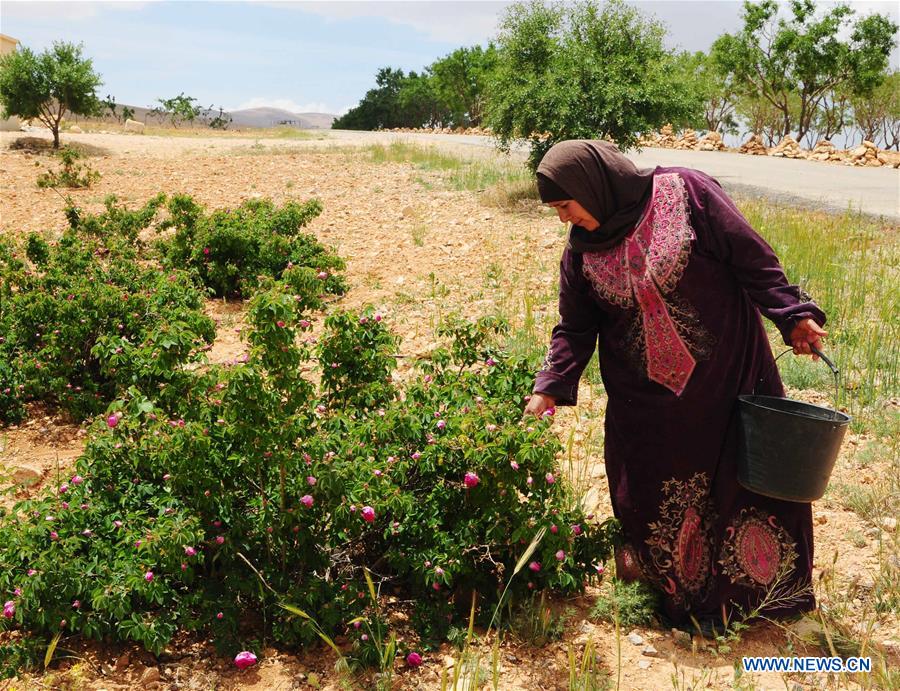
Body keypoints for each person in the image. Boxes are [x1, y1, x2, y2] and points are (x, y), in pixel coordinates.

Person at [524, 140, 827, 631]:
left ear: (592, 186)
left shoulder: (688, 193)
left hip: (728, 380)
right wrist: (549, 386)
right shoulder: (580, 254)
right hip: (646, 406)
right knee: (652, 495)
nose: (564, 219)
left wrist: (792, 315)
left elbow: (751, 259)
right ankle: (678, 606)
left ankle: (766, 602)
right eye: (556, 210)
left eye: (565, 205)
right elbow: (575, 329)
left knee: (744, 481)